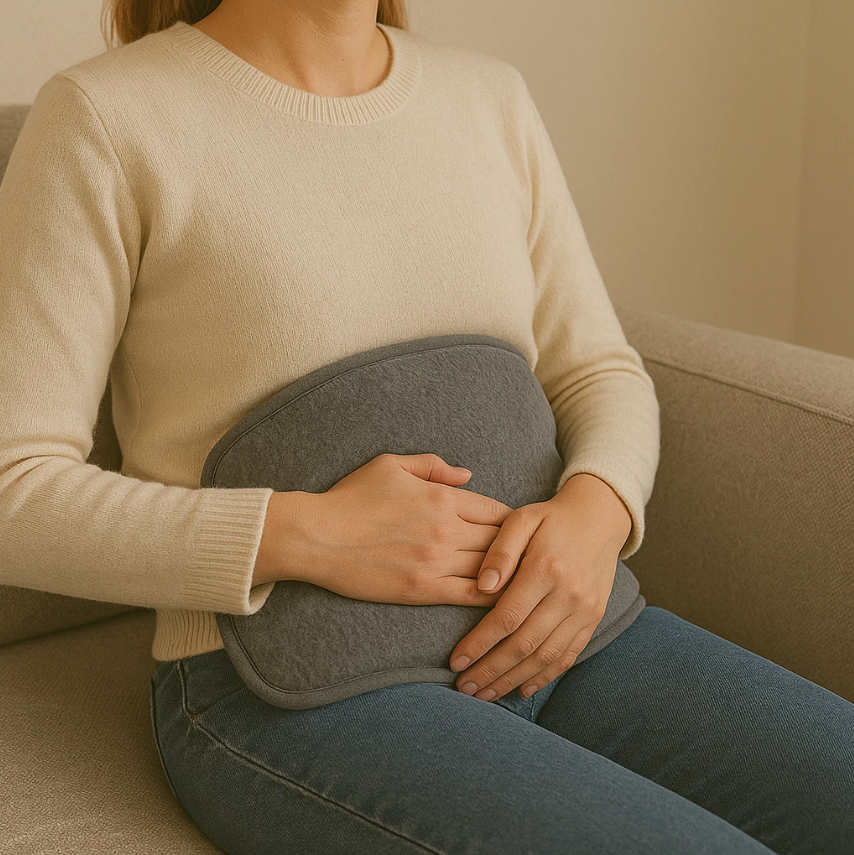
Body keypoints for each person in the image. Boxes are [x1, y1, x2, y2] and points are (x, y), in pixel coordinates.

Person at [1, 0, 852, 852]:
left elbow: (597, 368)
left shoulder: (489, 100)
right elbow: (15, 489)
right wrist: (307, 536)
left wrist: (597, 515)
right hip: (296, 689)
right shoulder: (105, 120)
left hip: (562, 632)